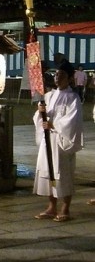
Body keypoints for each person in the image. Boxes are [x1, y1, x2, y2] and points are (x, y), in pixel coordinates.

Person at [33, 60, 83, 222]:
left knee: (63, 173)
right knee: (49, 172)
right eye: (56, 74)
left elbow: (72, 120)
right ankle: (51, 206)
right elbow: (38, 118)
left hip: (61, 141)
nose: (57, 78)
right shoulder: (48, 95)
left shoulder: (72, 98)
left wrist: (54, 124)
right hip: (48, 139)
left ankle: (65, 207)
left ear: (69, 78)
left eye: (61, 75)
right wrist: (41, 114)